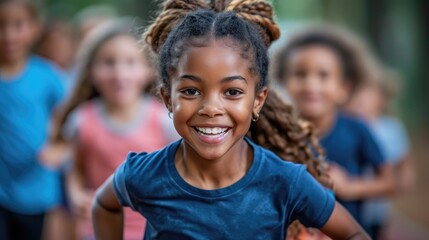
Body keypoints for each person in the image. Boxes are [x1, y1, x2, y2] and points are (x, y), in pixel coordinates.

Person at [92, 1, 370, 239]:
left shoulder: (285, 182)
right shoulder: (143, 174)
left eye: (233, 92)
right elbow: (104, 205)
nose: (211, 108)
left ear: (257, 101)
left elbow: (353, 233)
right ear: (167, 99)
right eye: (191, 91)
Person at [50, 19, 178, 240]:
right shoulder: (81, 121)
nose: (120, 73)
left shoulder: (165, 121)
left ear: (148, 69)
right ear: (91, 71)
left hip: (154, 231)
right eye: (108, 63)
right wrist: (77, 196)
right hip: (98, 231)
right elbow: (76, 169)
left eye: (131, 62)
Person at [274, 26, 397, 228]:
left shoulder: (357, 130)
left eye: (323, 75)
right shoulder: (276, 134)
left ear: (343, 88)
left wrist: (350, 187)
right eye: (300, 74)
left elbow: (391, 181)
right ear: (283, 81)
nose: (311, 85)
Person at [0, 0, 65, 239]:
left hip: (35, 188)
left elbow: (71, 114)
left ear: (34, 28)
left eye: (18, 25)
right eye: (1, 25)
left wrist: (60, 146)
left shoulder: (47, 76)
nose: (8, 35)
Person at [346, 70, 415, 239]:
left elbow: (404, 165)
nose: (361, 100)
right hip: (348, 209)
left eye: (369, 93)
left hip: (378, 211)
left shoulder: (392, 129)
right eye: (357, 93)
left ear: (382, 99)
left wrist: (400, 181)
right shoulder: (345, 128)